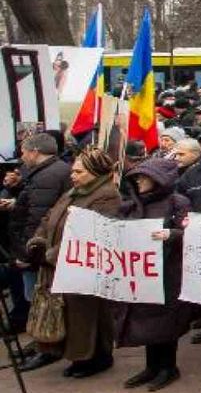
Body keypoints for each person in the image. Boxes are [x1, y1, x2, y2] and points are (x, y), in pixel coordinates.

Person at [25, 146, 121, 379]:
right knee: (66, 312)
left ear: (95, 172)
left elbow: (94, 231)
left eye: (79, 172)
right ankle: (71, 352)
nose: (73, 175)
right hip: (59, 263)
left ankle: (96, 357)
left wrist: (53, 255)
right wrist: (38, 240)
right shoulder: (73, 192)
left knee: (87, 315)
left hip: (83, 265)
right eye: (74, 171)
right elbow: (49, 217)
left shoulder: (107, 195)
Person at [115, 157, 191, 391]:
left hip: (168, 271)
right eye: (136, 177)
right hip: (142, 274)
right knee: (146, 321)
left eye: (143, 177)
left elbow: (191, 233)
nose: (138, 181)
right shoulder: (133, 204)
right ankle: (152, 367)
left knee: (165, 321)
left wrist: (171, 235)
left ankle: (168, 367)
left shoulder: (177, 202)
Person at [12, 133, 71, 371]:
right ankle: (41, 341)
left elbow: (38, 217)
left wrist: (27, 253)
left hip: (39, 249)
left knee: (41, 298)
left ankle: (47, 345)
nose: (22, 156)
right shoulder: (50, 171)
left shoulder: (48, 175)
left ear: (35, 151)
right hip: (44, 248)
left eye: (24, 151)